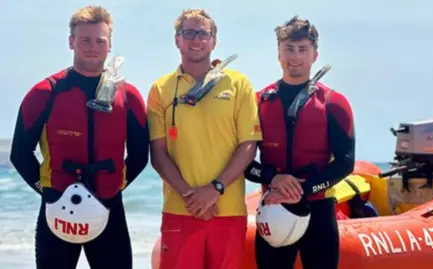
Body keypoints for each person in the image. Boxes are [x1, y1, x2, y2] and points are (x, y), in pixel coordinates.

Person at [9, 5, 149, 269]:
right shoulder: (45, 92)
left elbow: (141, 154)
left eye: (100, 40)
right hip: (56, 206)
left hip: (109, 207)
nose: (92, 47)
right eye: (85, 39)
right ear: (71, 42)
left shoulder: (128, 96)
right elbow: (20, 153)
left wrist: (113, 187)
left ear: (109, 46)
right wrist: (48, 192)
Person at [147, 8, 262, 269]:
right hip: (179, 210)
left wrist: (215, 190)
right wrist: (191, 196)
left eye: (203, 33)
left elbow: (248, 145)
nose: (196, 39)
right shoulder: (160, 89)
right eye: (188, 33)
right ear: (177, 40)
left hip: (228, 210)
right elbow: (158, 153)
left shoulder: (238, 84)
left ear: (214, 40)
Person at [244, 16, 355, 269]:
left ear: (314, 54)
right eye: (289, 49)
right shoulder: (257, 102)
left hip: (319, 211)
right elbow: (245, 163)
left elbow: (345, 163)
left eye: (302, 49)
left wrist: (302, 191)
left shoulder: (333, 103)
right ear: (278, 54)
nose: (295, 57)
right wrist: (273, 179)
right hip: (272, 208)